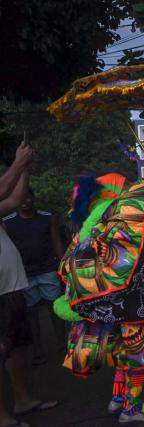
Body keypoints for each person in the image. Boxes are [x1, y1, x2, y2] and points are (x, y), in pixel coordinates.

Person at [55, 173, 144, 425]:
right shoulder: (120, 219)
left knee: (122, 351)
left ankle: (118, 398)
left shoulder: (90, 227)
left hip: (106, 303)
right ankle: (132, 407)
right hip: (130, 302)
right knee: (138, 353)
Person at [0, 142, 58, 427]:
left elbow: (13, 199)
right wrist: (18, 163)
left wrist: (25, 171)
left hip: (10, 287)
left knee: (17, 348)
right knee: (1, 350)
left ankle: (22, 400)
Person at [3, 189, 66, 364]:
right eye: (21, 199)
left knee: (54, 306)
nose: (25, 202)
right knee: (31, 311)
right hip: (24, 272)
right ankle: (37, 348)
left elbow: (56, 241)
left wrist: (62, 266)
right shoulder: (8, 222)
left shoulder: (47, 217)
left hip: (47, 269)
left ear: (33, 198)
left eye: (28, 197)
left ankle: (63, 343)